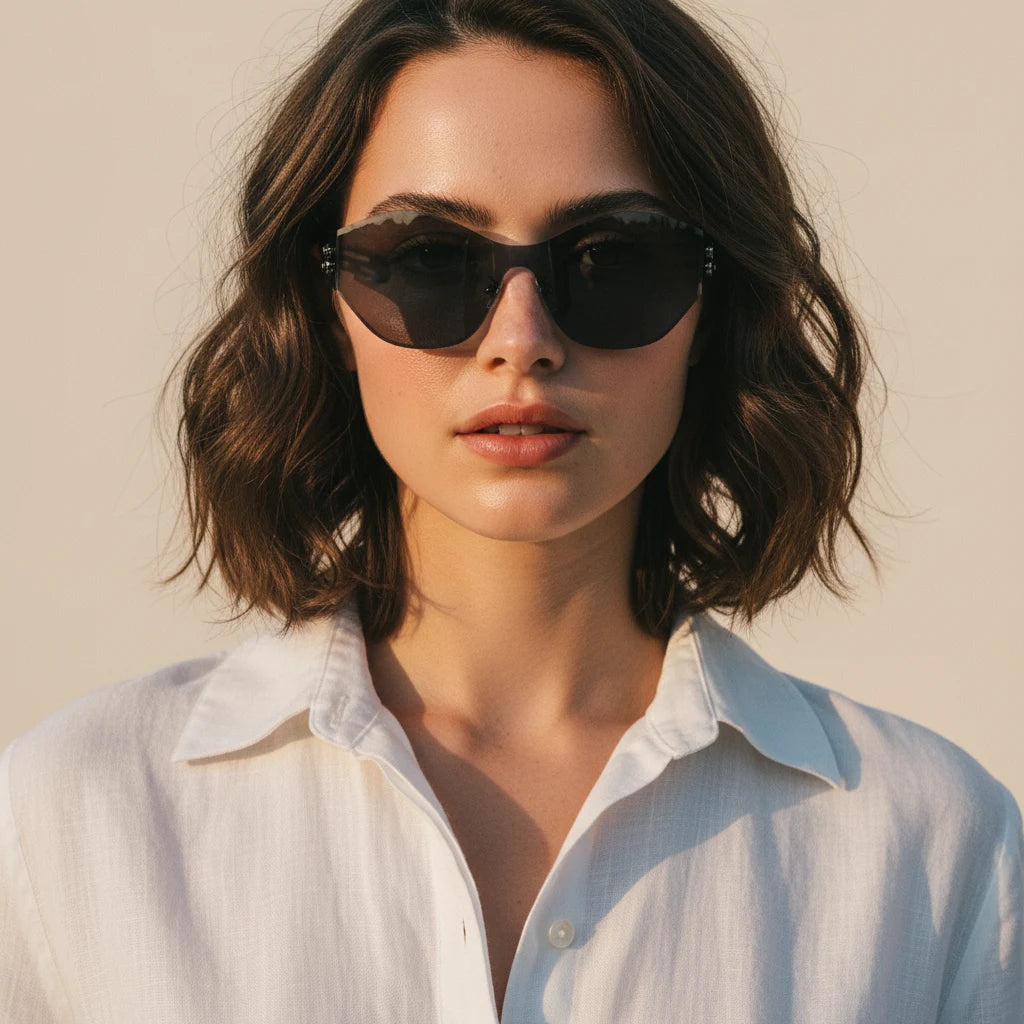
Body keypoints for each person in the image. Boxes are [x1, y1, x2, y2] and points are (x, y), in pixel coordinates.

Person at [2, 0, 1020, 1020]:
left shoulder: (926, 847)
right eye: (430, 259)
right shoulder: (73, 818)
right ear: (325, 307)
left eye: (612, 258)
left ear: (712, 309)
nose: (520, 338)